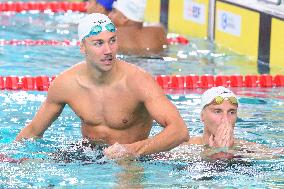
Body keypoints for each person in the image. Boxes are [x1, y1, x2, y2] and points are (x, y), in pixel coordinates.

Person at [15, 13, 189, 159]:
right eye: (98, 43)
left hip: (131, 161)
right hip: (86, 155)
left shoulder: (138, 82)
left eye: (112, 41)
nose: (108, 50)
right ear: (83, 47)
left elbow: (179, 131)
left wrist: (132, 150)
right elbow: (33, 131)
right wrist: (10, 157)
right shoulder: (66, 84)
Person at [186, 86, 283, 160]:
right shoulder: (185, 148)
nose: (225, 119)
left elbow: (277, 153)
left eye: (231, 112)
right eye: (217, 111)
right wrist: (213, 153)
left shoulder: (246, 147)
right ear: (202, 115)